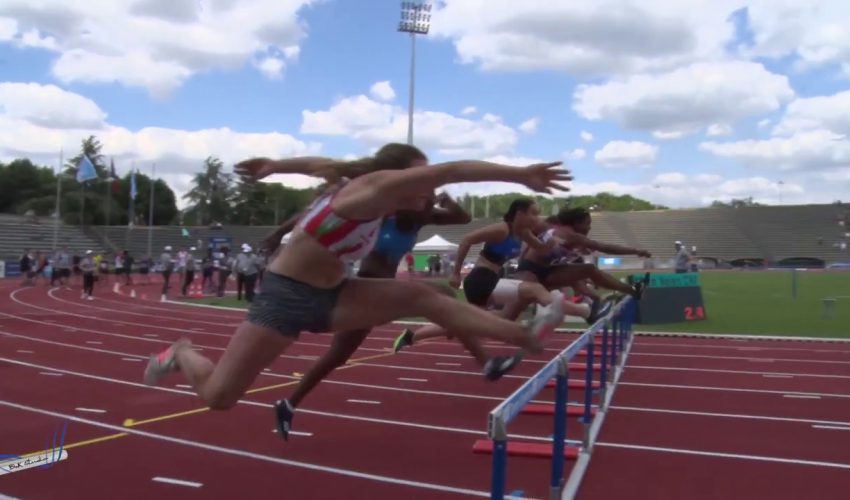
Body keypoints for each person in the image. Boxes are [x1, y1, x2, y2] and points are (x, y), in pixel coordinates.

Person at [142, 143, 571, 432]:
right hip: (285, 298)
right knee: (220, 397)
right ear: (398, 178)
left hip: (336, 293)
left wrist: (275, 166)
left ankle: (524, 335)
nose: (430, 194)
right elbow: (455, 168)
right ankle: (180, 351)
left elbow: (318, 166)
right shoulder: (373, 192)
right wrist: (519, 174)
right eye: (422, 185)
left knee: (431, 294)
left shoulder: (371, 191)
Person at [275, 191, 472, 439]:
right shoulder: (380, 216)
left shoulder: (421, 218)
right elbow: (313, 215)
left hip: (384, 293)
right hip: (365, 289)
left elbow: (464, 218)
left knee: (338, 356)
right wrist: (278, 234)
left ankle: (288, 403)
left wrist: (447, 201)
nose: (428, 208)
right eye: (425, 202)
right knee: (338, 354)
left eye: (431, 204)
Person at [394, 199, 605, 366]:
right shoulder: (501, 229)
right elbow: (468, 239)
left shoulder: (523, 234)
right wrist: (456, 273)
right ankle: (576, 311)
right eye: (533, 212)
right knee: (534, 290)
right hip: (480, 279)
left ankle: (412, 336)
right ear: (520, 214)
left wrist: (553, 242)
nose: (536, 217)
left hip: (491, 280)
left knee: (469, 322)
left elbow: (541, 249)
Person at [514, 207, 651, 300]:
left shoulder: (557, 227)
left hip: (549, 271)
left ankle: (631, 290)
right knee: (517, 308)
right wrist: (636, 251)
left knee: (588, 269)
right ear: (577, 223)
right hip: (529, 270)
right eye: (587, 224)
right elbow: (605, 247)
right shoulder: (572, 235)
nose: (589, 227)